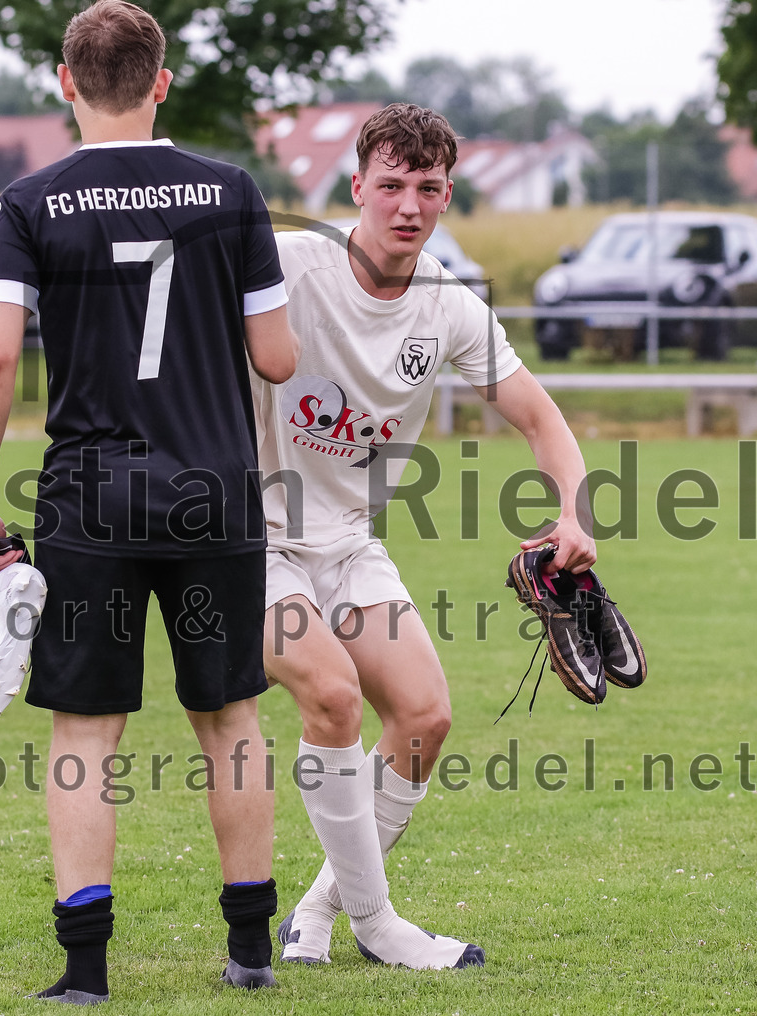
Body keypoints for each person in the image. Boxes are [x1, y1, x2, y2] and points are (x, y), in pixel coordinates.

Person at [0, 0, 299, 1002]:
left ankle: (85, 968)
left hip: (91, 498)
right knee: (229, 717)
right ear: (161, 81)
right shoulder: (232, 192)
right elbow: (275, 356)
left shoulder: (27, 202)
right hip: (213, 493)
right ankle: (249, 950)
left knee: (85, 732)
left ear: (65, 83)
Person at [250, 103, 596, 970]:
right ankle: (379, 928)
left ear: (447, 195)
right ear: (357, 184)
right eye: (392, 184)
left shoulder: (448, 305)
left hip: (350, 539)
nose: (408, 205)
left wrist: (574, 514)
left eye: (429, 188)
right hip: (248, 539)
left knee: (424, 716)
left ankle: (319, 913)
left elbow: (540, 418)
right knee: (329, 700)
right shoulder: (288, 264)